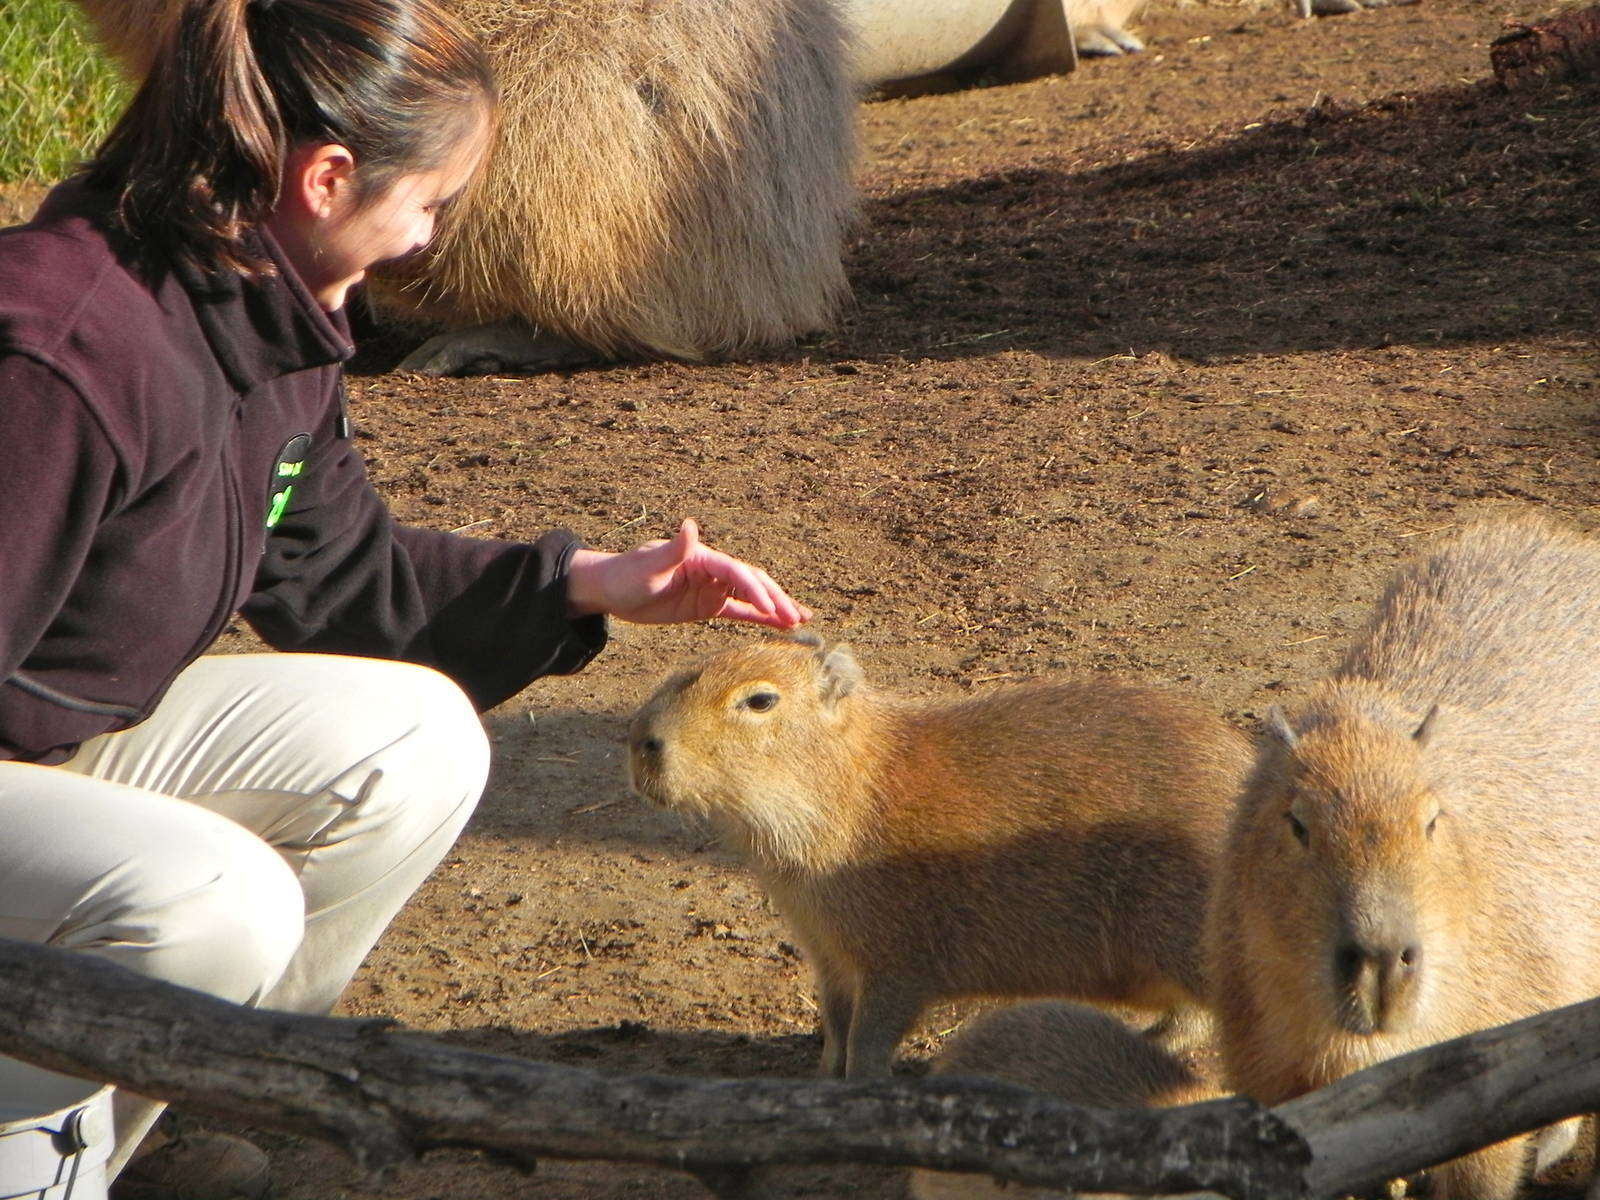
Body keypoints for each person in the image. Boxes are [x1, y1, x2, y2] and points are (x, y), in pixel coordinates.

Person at [0, 0, 809, 1196]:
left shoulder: (262, 308)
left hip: (47, 752)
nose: (426, 241)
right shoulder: (59, 353)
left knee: (415, 742)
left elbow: (341, 576)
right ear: (328, 176)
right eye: (428, 201)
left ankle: (115, 1137)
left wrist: (591, 584)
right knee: (211, 901)